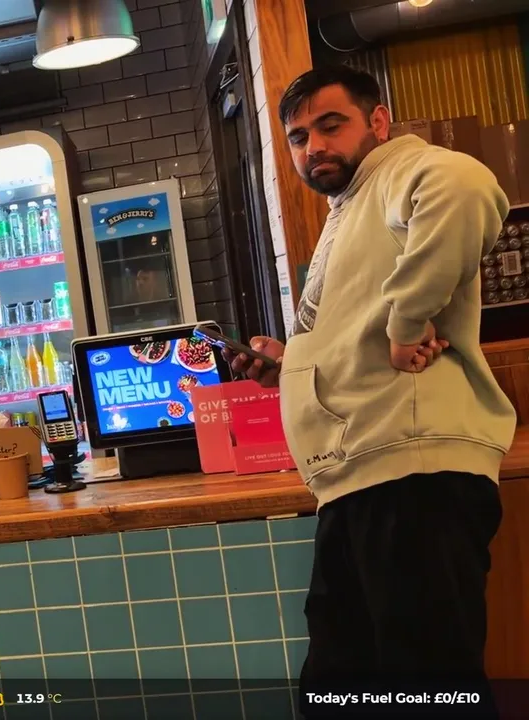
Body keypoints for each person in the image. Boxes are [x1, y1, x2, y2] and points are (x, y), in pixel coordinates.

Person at [232, 65, 515, 713]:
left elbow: (470, 187)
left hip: (414, 475)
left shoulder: (403, 170)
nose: (314, 147)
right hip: (358, 477)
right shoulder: (351, 206)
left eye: (331, 126)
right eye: (299, 137)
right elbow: (349, 331)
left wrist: (407, 324)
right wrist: (290, 366)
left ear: (378, 122)